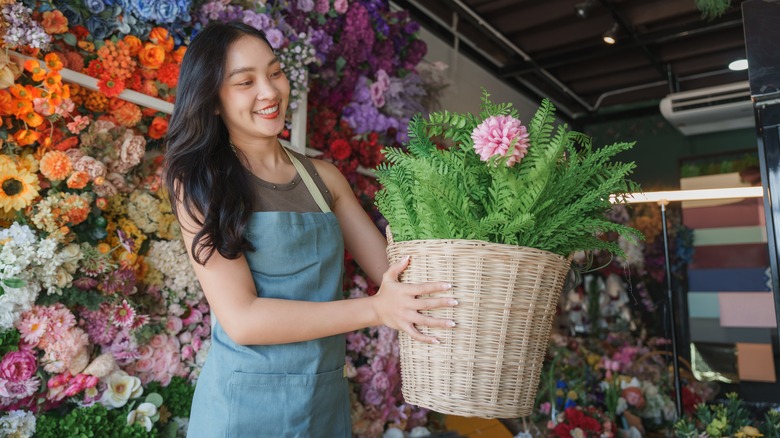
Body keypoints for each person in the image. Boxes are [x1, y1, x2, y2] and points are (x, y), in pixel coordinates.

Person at [163, 22, 457, 437]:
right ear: (212, 99)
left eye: (276, 72)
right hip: (242, 410)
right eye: (246, 81)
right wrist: (376, 309)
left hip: (322, 401)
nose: (269, 92)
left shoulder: (324, 179)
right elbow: (243, 319)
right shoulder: (201, 183)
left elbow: (396, 270)